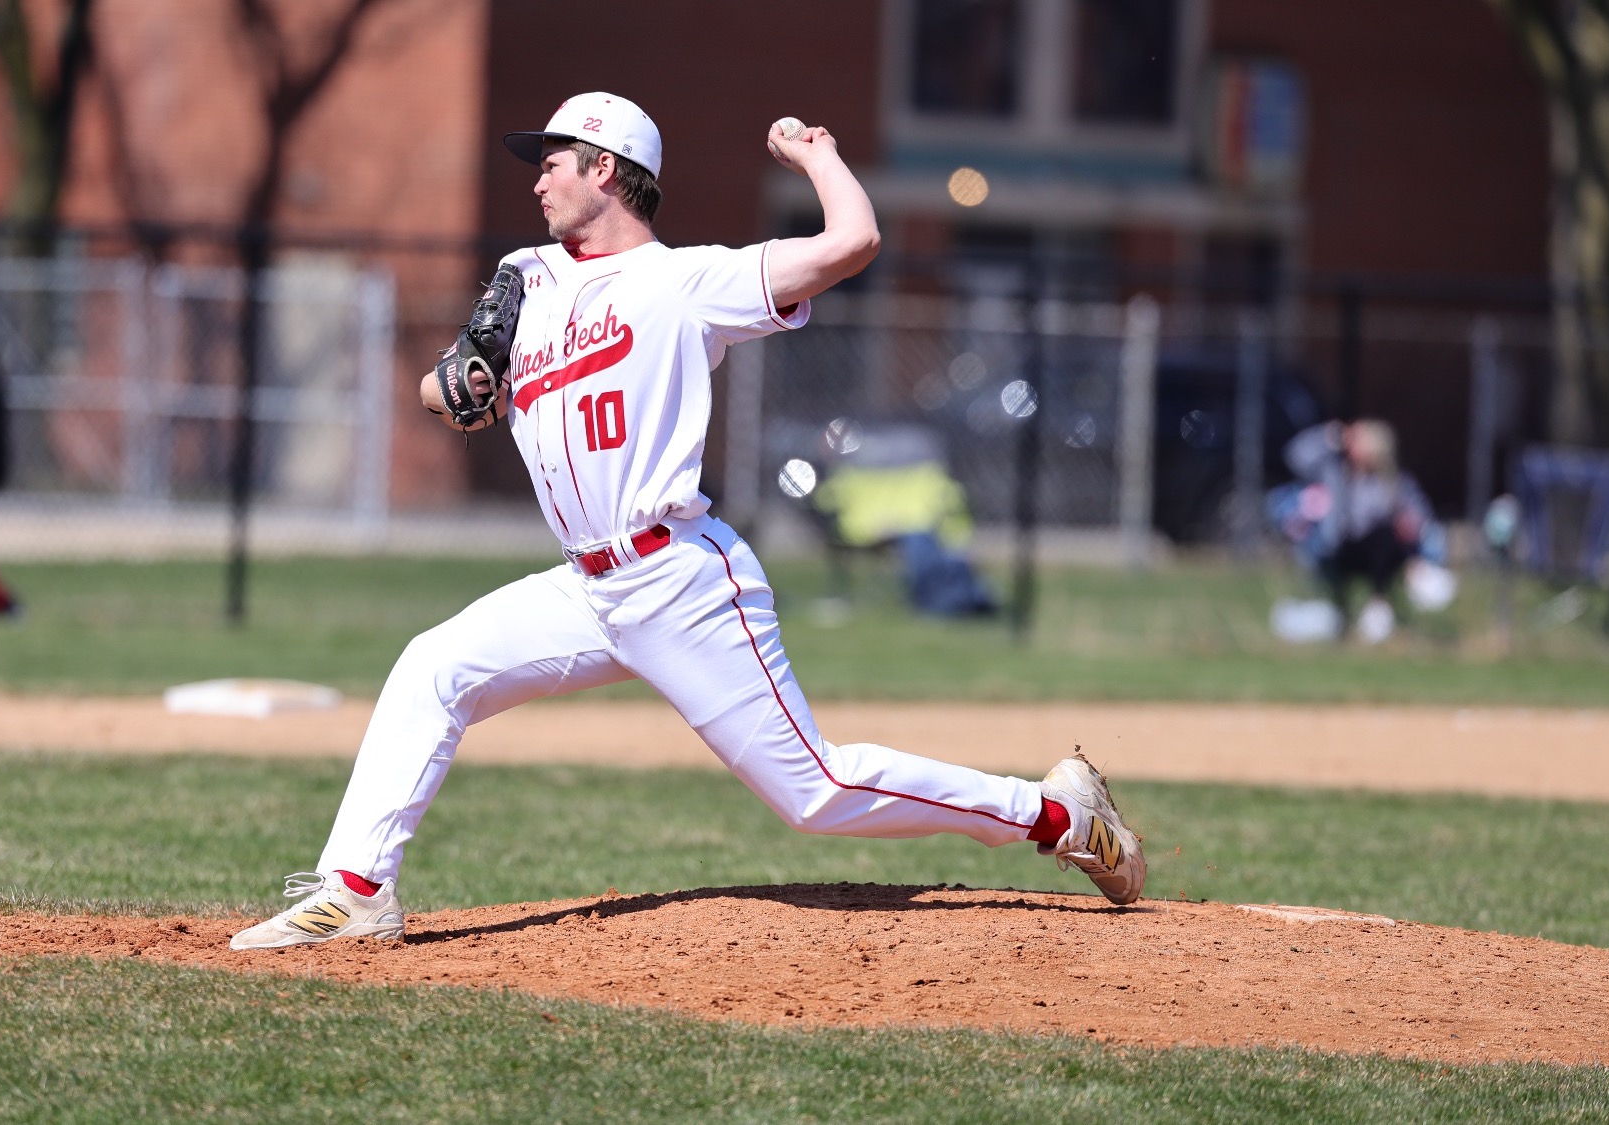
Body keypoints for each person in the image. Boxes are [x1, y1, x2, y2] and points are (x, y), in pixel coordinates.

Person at [229, 94, 1144, 950]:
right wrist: (456, 384)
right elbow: (448, 383)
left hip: (678, 578)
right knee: (434, 665)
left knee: (815, 792)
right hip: (584, 587)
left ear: (606, 170)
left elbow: (853, 239)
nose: (537, 179)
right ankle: (356, 889)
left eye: (553, 162)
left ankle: (1057, 813)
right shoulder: (529, 277)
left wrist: (816, 156)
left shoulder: (686, 282)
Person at [1277, 419, 1444, 643]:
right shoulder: (1333, 471)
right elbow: (1295, 456)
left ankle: (1380, 604)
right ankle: (1370, 610)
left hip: (1381, 554)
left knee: (1383, 536)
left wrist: (1409, 524)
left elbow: (1420, 515)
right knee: (1375, 540)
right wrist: (1329, 437)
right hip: (1339, 548)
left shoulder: (1395, 482)